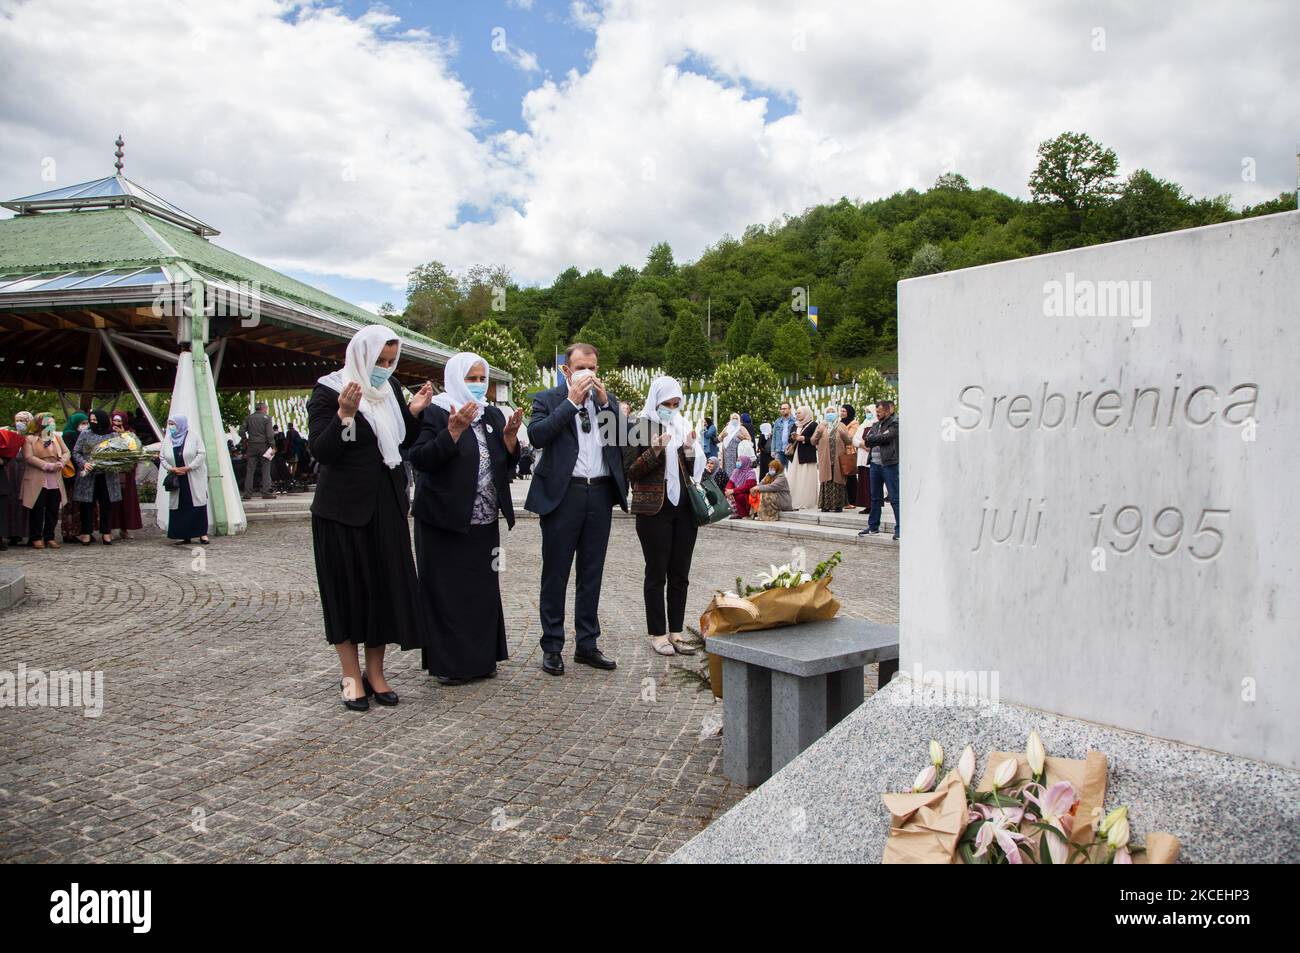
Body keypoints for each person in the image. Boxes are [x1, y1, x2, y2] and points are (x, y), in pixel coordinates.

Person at [307, 325, 433, 710]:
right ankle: (350, 676)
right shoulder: (329, 390)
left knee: (382, 590)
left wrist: (413, 412)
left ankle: (376, 673)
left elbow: (401, 442)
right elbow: (323, 451)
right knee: (346, 592)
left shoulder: (390, 391)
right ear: (361, 355)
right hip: (342, 510)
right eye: (379, 360)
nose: (385, 367)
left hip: (386, 505)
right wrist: (345, 415)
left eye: (391, 361)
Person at [411, 351, 522, 685]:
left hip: (484, 520)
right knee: (447, 592)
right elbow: (420, 459)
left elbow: (505, 467)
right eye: (470, 379)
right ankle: (451, 665)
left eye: (481, 379)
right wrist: (453, 433)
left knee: (481, 591)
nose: (477, 385)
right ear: (456, 378)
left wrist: (510, 441)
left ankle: (482, 658)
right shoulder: (435, 411)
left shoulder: (492, 415)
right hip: (444, 519)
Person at [524, 342, 628, 676]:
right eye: (581, 367)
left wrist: (606, 405)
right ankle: (552, 645)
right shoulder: (548, 399)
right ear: (567, 370)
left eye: (593, 368)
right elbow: (537, 435)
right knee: (556, 572)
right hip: (563, 494)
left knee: (591, 572)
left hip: (598, 492)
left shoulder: (606, 403)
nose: (588, 374)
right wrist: (570, 403)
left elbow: (623, 439)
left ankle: (587, 644)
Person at [623, 376, 704, 658]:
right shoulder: (638, 426)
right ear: (655, 401)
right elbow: (631, 470)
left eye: (675, 403)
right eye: (666, 404)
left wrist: (692, 448)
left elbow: (688, 470)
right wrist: (655, 450)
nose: (671, 408)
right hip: (653, 509)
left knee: (680, 573)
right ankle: (658, 633)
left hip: (683, 508)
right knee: (656, 572)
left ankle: (677, 631)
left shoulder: (681, 426)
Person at [19, 413, 70, 549]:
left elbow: (66, 452)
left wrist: (61, 463)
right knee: (37, 508)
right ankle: (35, 537)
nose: (51, 425)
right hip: (37, 477)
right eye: (48, 423)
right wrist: (46, 465)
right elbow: (28, 457)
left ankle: (50, 536)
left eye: (53, 423)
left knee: (53, 508)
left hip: (55, 478)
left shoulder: (56, 438)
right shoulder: (30, 439)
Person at [158, 414, 210, 546]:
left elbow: (201, 453)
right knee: (179, 506)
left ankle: (202, 533)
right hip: (177, 477)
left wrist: (189, 467)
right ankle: (183, 534)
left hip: (192, 476)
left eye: (173, 424)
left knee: (197, 503)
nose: (171, 427)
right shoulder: (168, 440)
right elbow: (162, 457)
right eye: (169, 424)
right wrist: (171, 468)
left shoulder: (194, 436)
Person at [72, 408, 121, 545]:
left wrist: (111, 461)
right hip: (89, 475)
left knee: (106, 504)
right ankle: (86, 533)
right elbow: (76, 452)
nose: (92, 423)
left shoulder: (112, 435)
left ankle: (106, 533)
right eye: (91, 420)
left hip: (107, 475)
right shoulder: (85, 434)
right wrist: (84, 463)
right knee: (87, 505)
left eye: (95, 420)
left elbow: (120, 453)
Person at [860, 399, 900, 540]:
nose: (877, 414)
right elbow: (866, 439)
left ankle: (900, 528)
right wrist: (877, 438)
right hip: (875, 465)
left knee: (895, 498)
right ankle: (873, 526)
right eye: (876, 412)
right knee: (875, 497)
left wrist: (875, 438)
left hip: (889, 464)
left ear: (889, 410)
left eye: (880, 412)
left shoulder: (895, 423)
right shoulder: (876, 425)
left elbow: (888, 437)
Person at [108, 410, 144, 540]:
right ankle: (109, 529)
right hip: (112, 471)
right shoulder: (108, 433)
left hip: (127, 472)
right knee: (112, 501)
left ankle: (125, 529)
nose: (116, 423)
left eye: (119, 421)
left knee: (126, 501)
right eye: (115, 421)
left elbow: (135, 447)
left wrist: (123, 435)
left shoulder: (130, 433)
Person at [812, 405, 853, 512]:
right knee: (826, 480)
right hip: (825, 458)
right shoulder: (821, 426)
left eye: (832, 411)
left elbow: (848, 441)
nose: (830, 413)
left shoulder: (841, 425)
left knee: (838, 480)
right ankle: (825, 505)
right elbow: (813, 441)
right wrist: (819, 431)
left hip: (838, 458)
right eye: (828, 411)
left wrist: (842, 432)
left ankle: (838, 505)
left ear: (836, 414)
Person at [58, 412, 87, 543]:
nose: (85, 426)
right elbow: (70, 453)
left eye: (87, 423)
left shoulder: (85, 435)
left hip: (83, 474)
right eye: (82, 423)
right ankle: (69, 532)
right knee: (70, 504)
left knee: (80, 505)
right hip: (71, 474)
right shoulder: (69, 435)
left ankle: (80, 531)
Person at [4, 411, 32, 545]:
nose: (19, 423)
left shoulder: (33, 437)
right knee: (11, 501)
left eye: (22, 420)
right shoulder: (10, 435)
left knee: (25, 501)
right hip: (11, 471)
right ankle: (11, 533)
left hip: (27, 471)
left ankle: (26, 532)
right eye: (17, 420)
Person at [240, 401, 276, 500]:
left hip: (252, 446)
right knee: (266, 469)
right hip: (264, 446)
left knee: (250, 470)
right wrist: (273, 446)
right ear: (263, 408)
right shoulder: (267, 418)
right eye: (266, 409)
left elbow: (241, 431)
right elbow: (269, 434)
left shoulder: (248, 418)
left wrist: (245, 439)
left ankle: (247, 493)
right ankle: (266, 492)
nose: (266, 410)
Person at [786, 406, 819, 510]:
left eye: (799, 413)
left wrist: (802, 438)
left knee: (805, 477)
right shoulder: (795, 425)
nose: (797, 415)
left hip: (807, 455)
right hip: (795, 455)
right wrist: (792, 438)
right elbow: (789, 439)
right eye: (796, 413)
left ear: (806, 413)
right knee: (795, 477)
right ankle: (795, 499)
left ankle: (806, 501)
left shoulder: (813, 425)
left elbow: (815, 440)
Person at [725, 439, 759, 518]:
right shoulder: (736, 471)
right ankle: (738, 513)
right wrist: (728, 491)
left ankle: (744, 514)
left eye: (739, 461)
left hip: (748, 493)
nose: (737, 462)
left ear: (745, 462)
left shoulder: (751, 472)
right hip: (738, 491)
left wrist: (733, 491)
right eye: (737, 461)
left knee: (739, 496)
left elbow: (748, 486)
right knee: (731, 494)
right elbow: (730, 483)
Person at [838, 404, 860, 510]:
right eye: (841, 411)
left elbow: (850, 437)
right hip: (839, 452)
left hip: (849, 452)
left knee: (850, 476)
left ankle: (853, 500)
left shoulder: (854, 423)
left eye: (844, 411)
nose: (842, 413)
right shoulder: (839, 423)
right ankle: (844, 500)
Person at [771, 401, 796, 470]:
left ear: (789, 409)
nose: (783, 410)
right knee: (777, 473)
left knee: (791, 472)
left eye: (785, 408)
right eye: (781, 409)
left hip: (790, 450)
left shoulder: (795, 421)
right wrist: (773, 450)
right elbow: (774, 436)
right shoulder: (777, 421)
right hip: (779, 450)